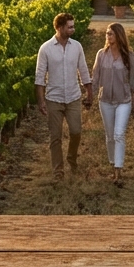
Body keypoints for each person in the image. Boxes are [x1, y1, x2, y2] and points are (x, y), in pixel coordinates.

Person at [35, 12, 92, 173]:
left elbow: (83, 70)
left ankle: (72, 159)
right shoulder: (45, 49)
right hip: (54, 98)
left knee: (76, 131)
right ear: (59, 28)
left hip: (73, 96)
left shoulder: (77, 47)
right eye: (70, 27)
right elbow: (39, 77)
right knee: (55, 137)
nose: (73, 29)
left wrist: (89, 92)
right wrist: (41, 101)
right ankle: (58, 170)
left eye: (73, 26)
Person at [92, 23, 134, 179]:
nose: (107, 36)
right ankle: (113, 163)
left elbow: (133, 81)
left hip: (123, 100)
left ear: (119, 36)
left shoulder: (129, 56)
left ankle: (119, 170)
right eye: (106, 33)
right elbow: (96, 76)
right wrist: (90, 96)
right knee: (110, 135)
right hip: (105, 100)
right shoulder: (101, 54)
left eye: (110, 33)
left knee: (119, 134)